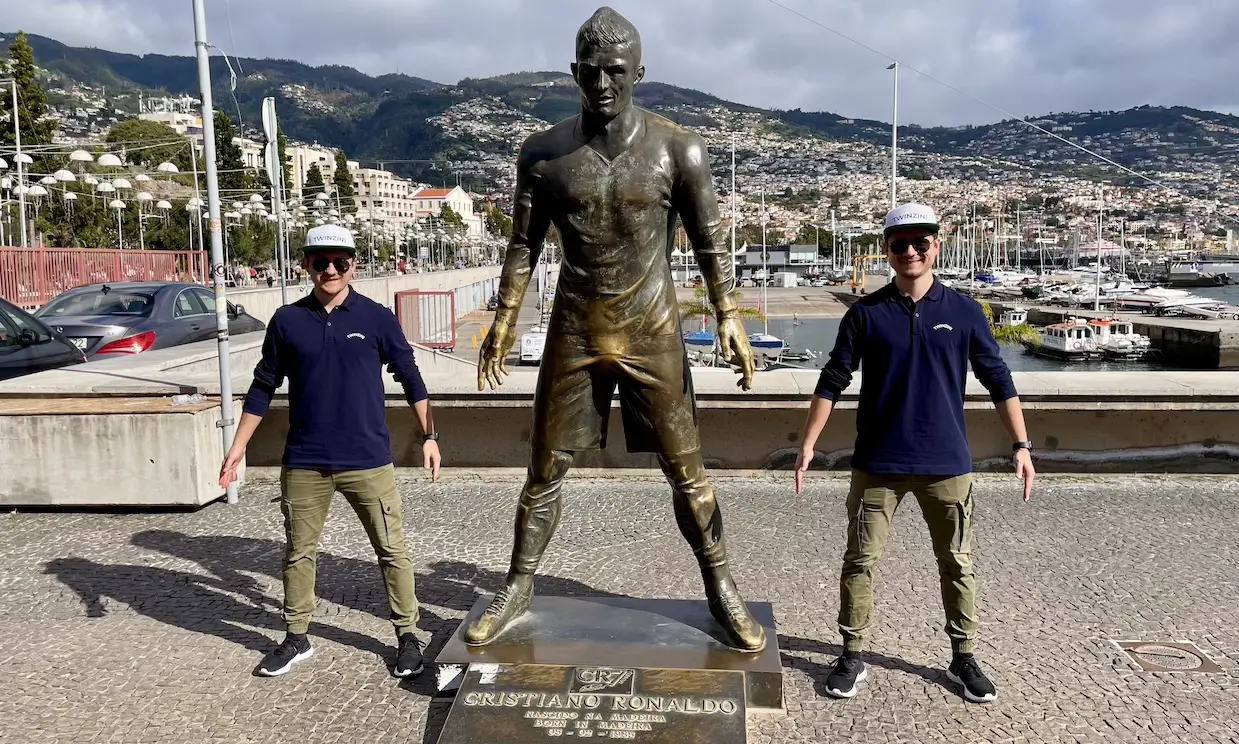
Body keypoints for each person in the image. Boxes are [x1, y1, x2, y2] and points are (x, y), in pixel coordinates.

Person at [465, 6, 766, 652]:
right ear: (573, 72)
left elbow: (711, 246)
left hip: (651, 329)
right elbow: (523, 245)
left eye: (615, 72)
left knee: (687, 472)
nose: (602, 84)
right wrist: (503, 317)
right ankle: (518, 583)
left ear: (639, 74)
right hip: (574, 329)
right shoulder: (543, 154)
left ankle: (720, 585)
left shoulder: (677, 150)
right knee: (543, 470)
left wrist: (730, 316)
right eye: (591, 72)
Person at [794, 202, 1035, 703]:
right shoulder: (866, 313)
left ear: (936, 246)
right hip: (877, 463)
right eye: (898, 243)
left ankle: (964, 656)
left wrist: (1021, 445)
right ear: (886, 249)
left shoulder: (965, 311)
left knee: (957, 563)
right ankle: (852, 653)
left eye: (919, 242)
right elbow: (834, 378)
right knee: (860, 560)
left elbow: (999, 379)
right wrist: (809, 444)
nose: (909, 251)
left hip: (947, 464)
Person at [219, 223, 442, 678]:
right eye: (321, 262)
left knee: (392, 550)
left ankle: (407, 636)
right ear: (306, 264)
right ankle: (296, 637)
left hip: (369, 460)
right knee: (299, 552)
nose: (331, 270)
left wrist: (430, 436)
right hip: (305, 462)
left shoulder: (377, 317)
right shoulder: (286, 320)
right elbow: (262, 387)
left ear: (353, 264)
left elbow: (410, 377)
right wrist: (237, 447)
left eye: (341, 261)